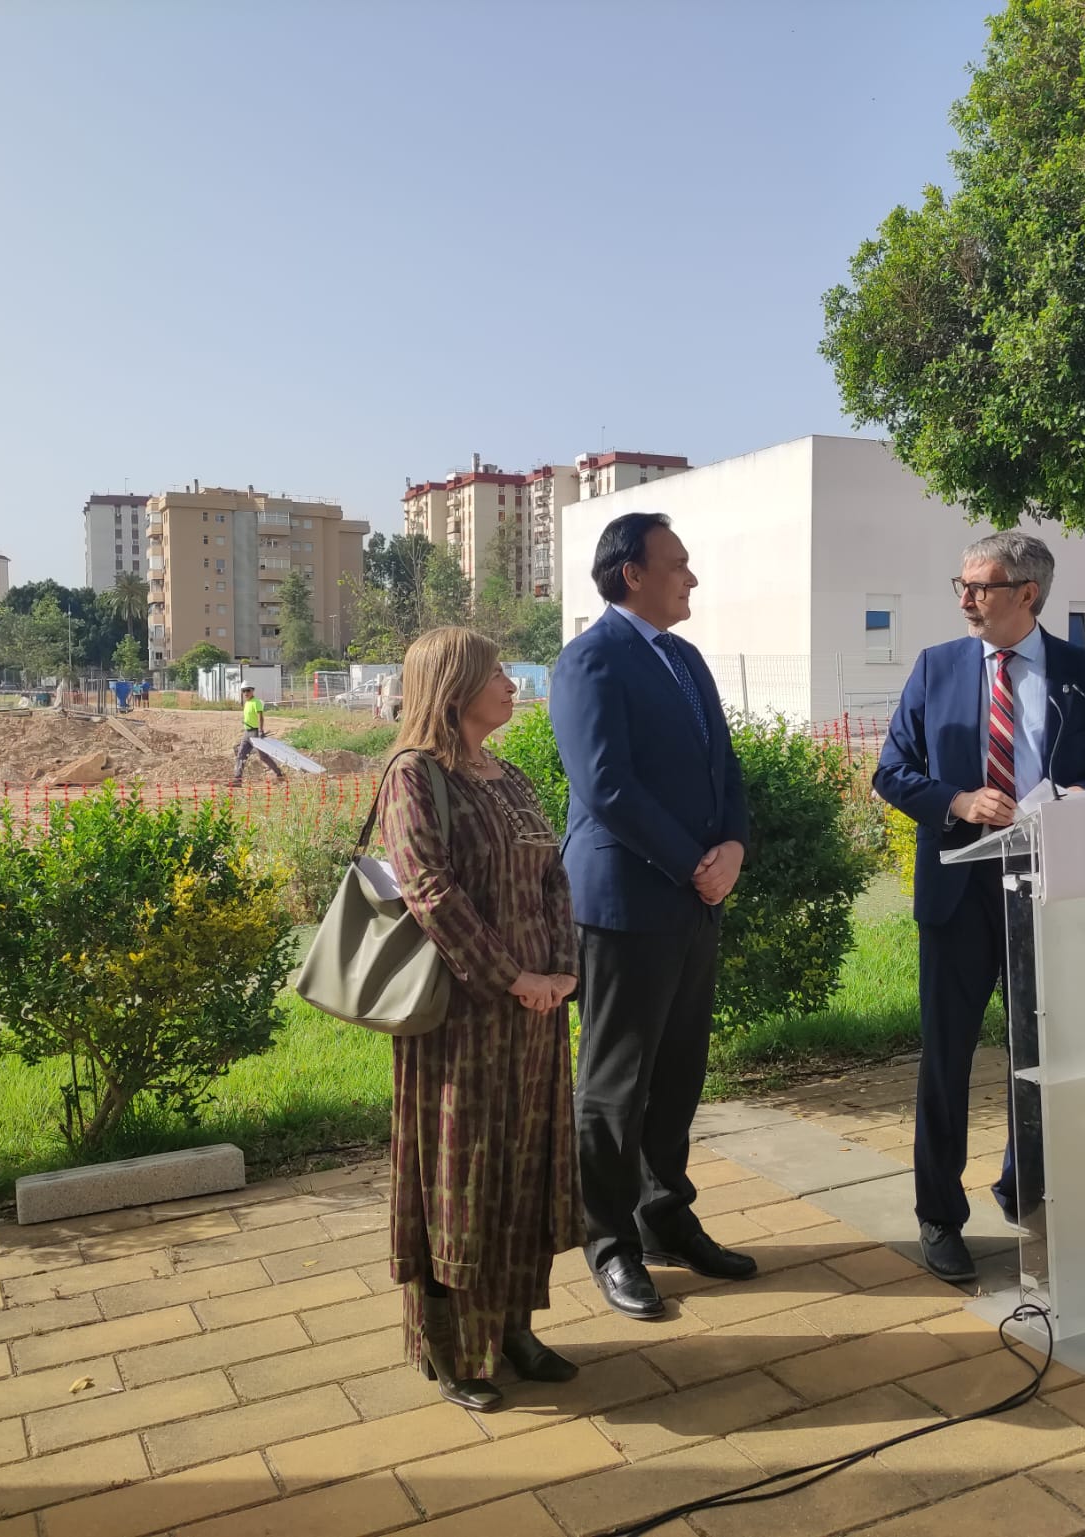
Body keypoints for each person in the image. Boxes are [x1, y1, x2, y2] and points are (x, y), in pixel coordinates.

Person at [873, 530, 1085, 1286]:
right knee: (946, 1058)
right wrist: (957, 798)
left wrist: (1083, 799)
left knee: (1045, 1051)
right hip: (960, 886)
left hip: (1051, 883)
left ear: (1028, 594)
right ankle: (939, 1216)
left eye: (979, 587)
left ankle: (1028, 1188)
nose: (964, 599)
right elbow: (892, 772)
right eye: (959, 584)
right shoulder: (936, 668)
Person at [550, 512, 755, 1322]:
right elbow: (605, 785)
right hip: (625, 901)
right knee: (614, 1085)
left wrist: (732, 846)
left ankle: (665, 1215)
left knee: (678, 1075)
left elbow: (723, 767)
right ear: (632, 572)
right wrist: (692, 864)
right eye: (678, 563)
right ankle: (610, 1244)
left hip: (694, 898)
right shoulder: (588, 660)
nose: (691, 577)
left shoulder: (687, 660)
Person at [377, 626, 583, 1410]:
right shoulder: (414, 776)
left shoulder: (512, 775)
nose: (511, 682)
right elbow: (430, 891)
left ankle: (516, 1327)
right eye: (496, 671)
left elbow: (552, 880)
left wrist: (561, 972)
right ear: (455, 685)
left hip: (535, 1019)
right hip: (461, 1022)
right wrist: (513, 976)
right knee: (462, 1176)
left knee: (526, 1167)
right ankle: (457, 1350)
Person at [230, 685, 285, 787]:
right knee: (240, 755)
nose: (246, 693)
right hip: (247, 733)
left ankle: (279, 774)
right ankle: (237, 780)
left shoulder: (257, 702)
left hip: (255, 733)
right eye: (244, 691)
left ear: (252, 691)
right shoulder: (247, 703)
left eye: (248, 690)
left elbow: (261, 717)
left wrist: (260, 730)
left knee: (263, 757)